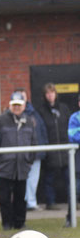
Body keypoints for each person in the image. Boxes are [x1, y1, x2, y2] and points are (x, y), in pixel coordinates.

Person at [0, 92, 36, 231]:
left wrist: (29, 160)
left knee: (20, 197)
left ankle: (20, 223)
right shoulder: (0, 120)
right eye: (14, 105)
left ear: (24, 106)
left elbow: (34, 144)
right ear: (10, 105)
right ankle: (6, 223)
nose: (17, 108)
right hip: (5, 166)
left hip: (22, 167)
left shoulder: (29, 121)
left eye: (19, 105)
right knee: (4, 198)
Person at [37, 83, 71, 211]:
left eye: (52, 92)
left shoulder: (64, 109)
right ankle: (50, 202)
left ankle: (72, 202)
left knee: (69, 178)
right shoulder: (41, 111)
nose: (50, 95)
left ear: (56, 94)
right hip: (50, 150)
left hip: (65, 149)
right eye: (47, 93)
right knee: (49, 178)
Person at [14, 88, 48, 212]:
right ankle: (25, 202)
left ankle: (31, 201)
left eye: (24, 96)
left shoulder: (34, 113)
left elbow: (41, 130)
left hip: (36, 152)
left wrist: (43, 146)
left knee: (33, 178)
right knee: (22, 179)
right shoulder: (13, 114)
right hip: (22, 154)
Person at [66, 93, 80, 227]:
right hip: (78, 161)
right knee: (74, 190)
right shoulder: (74, 117)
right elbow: (73, 136)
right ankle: (70, 219)